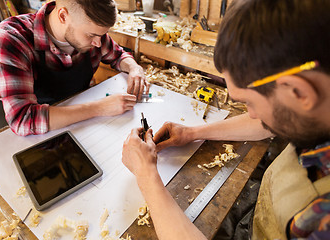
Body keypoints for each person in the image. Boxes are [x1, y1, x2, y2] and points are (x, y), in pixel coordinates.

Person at [122, 0, 330, 239]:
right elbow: (269, 121)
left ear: (299, 93)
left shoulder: (322, 219)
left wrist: (146, 176)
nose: (251, 114)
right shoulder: (315, 106)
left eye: (250, 103)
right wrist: (192, 133)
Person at [0, 0, 148, 136]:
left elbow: (118, 55)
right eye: (91, 35)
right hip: (44, 135)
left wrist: (135, 68)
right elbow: (22, 119)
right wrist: (100, 108)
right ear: (63, 16)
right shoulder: (13, 37)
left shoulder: (93, 33)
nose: (98, 43)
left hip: (86, 125)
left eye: (102, 35)